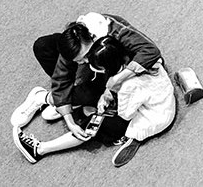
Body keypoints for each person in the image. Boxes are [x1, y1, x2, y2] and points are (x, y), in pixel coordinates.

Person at [13, 35, 176, 167]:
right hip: (160, 101)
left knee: (92, 124)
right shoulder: (134, 60)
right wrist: (108, 93)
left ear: (106, 68)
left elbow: (125, 114)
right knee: (89, 109)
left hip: (152, 117)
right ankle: (59, 105)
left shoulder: (128, 87)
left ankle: (40, 149)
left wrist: (96, 110)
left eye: (95, 66)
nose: (88, 65)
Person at [16, 13, 163, 131]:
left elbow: (151, 51)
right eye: (79, 61)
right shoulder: (74, 45)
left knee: (96, 100)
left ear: (93, 38)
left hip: (112, 66)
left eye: (85, 57)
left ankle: (50, 99)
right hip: (98, 68)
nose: (84, 62)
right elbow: (61, 78)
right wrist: (69, 121)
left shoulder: (115, 31)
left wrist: (118, 78)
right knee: (43, 46)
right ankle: (47, 98)